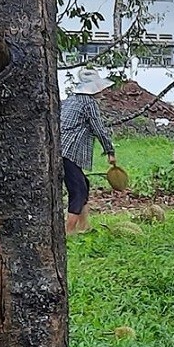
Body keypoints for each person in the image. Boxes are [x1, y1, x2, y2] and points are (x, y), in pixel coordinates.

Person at [60, 68, 117, 234]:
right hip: (68, 152)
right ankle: (69, 232)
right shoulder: (88, 103)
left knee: (84, 184)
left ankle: (84, 227)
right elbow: (99, 129)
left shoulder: (70, 100)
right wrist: (110, 152)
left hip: (60, 150)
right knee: (78, 190)